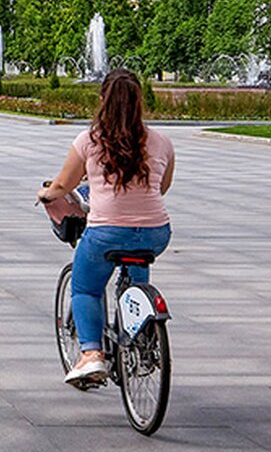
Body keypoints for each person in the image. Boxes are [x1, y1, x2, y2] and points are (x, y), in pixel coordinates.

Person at [37, 68, 174, 389]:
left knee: (86, 288)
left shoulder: (89, 141)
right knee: (136, 263)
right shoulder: (162, 141)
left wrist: (45, 194)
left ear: (102, 101)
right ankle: (140, 333)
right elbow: (162, 187)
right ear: (140, 102)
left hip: (105, 232)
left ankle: (91, 353)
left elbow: (63, 185)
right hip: (156, 231)